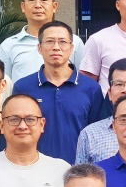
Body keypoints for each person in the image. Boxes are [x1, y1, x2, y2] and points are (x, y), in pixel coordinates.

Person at [11, 21, 110, 164]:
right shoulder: (23, 87)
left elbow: (98, 133)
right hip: (35, 168)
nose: (56, 47)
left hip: (79, 169)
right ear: (39, 48)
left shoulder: (91, 88)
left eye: (63, 42)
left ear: (71, 48)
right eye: (49, 41)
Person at [0, 0, 87, 84]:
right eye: (32, 0)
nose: (38, 5)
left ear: (54, 6)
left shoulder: (73, 42)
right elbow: (3, 86)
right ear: (23, 6)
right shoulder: (8, 45)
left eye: (44, 0)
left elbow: (82, 81)